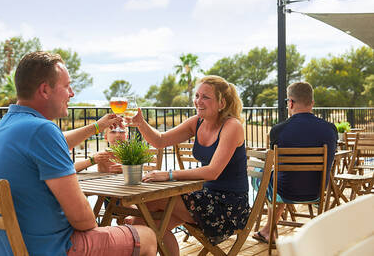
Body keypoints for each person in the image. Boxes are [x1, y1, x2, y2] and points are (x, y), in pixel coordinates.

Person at [0, 51, 156, 256]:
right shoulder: (42, 131)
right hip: (52, 249)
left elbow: (55, 142)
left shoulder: (3, 129)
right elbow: (84, 220)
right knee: (147, 237)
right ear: (45, 90)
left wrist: (96, 127)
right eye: (66, 86)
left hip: (8, 249)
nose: (71, 93)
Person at [128, 75, 250, 256]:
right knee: (142, 224)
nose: (198, 101)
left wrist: (169, 174)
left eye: (205, 97)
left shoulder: (232, 126)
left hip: (228, 207)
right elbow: (160, 140)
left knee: (149, 201)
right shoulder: (197, 122)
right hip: (203, 197)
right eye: (197, 96)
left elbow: (212, 172)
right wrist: (140, 123)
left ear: (221, 103)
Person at [252, 81, 337, 244]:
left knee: (261, 174)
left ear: (290, 103)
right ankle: (267, 230)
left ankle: (268, 230)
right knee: (284, 177)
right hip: (317, 192)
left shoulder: (278, 130)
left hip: (285, 192)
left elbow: (273, 163)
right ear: (312, 103)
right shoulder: (330, 129)